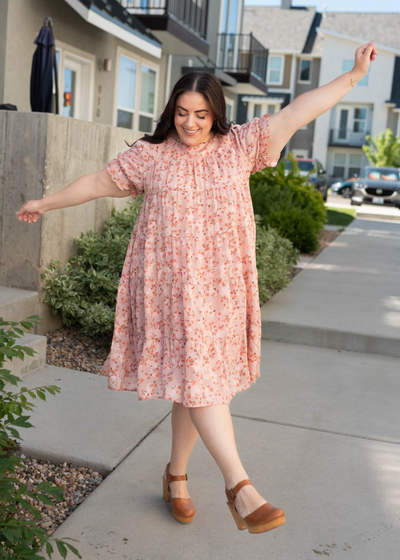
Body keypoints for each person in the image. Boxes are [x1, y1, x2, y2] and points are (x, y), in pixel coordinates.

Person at [17, 40, 377, 534]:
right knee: (201, 380)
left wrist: (354, 76)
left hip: (221, 292)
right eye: (183, 112)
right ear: (172, 111)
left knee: (194, 383)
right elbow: (98, 183)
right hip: (168, 292)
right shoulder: (151, 157)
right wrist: (45, 201)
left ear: (216, 115)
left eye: (201, 114)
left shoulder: (241, 147)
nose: (190, 122)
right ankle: (240, 487)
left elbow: (298, 110)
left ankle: (177, 476)